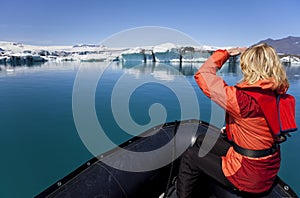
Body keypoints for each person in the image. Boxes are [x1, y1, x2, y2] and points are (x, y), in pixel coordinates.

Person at [176, 43, 296, 197]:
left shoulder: (243, 100)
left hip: (247, 173)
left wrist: (224, 54)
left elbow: (203, 75)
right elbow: (262, 127)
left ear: (250, 67)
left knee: (191, 156)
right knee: (201, 140)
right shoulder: (280, 95)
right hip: (266, 167)